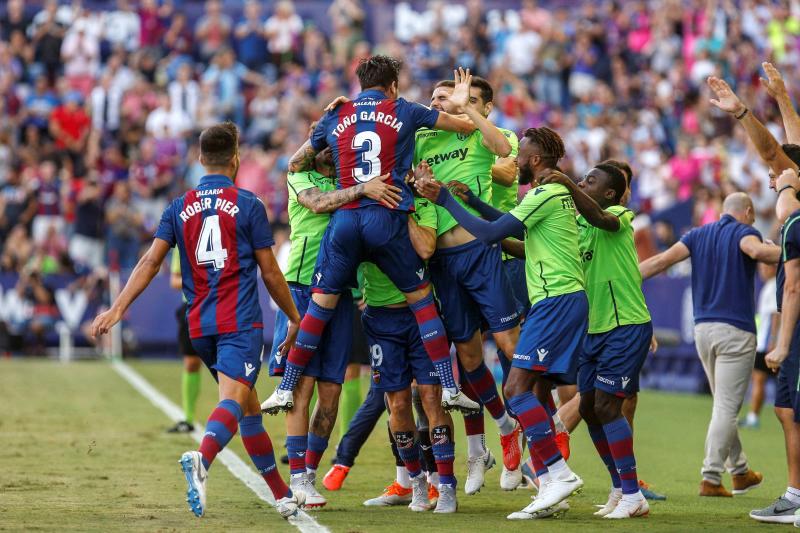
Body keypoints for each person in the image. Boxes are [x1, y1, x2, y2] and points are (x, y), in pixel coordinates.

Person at [90, 122, 304, 519]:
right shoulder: (249, 204)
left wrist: (117, 308)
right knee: (234, 401)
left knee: (248, 407)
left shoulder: (178, 206)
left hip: (200, 324)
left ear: (200, 159)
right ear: (235, 158)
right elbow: (272, 273)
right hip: (239, 320)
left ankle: (281, 494)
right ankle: (203, 458)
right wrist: (294, 316)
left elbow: (150, 261)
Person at [260, 57, 479, 414]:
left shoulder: (337, 113)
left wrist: (325, 122)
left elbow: (296, 163)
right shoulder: (405, 109)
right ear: (393, 84)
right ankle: (450, 387)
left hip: (345, 222)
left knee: (318, 309)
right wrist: (458, 104)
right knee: (422, 304)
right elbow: (467, 128)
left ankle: (285, 388)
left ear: (359, 83)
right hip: (389, 218)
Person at [416, 126, 586, 520]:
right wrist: (473, 198)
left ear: (536, 160)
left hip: (555, 300)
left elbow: (493, 232)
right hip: (555, 300)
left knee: (517, 387)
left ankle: (555, 467)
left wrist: (444, 198)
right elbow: (509, 224)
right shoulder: (544, 194)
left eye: (520, 154)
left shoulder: (545, 192)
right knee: (523, 386)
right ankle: (549, 477)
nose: (513, 160)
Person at [268, 144, 401, 509]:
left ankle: (308, 475)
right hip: (301, 290)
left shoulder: (349, 180)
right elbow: (319, 203)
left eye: (334, 145)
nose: (329, 150)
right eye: (323, 144)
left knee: (331, 391)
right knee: (303, 386)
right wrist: (361, 188)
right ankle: (296, 475)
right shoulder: (300, 177)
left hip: (341, 294)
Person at [415, 75, 521, 494]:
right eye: (437, 97)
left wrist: (468, 109)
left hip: (486, 253)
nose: (442, 101)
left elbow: (505, 156)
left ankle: (543, 440)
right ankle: (502, 424)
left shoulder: (480, 132)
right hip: (443, 260)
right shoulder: (424, 139)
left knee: (512, 345)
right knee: (468, 357)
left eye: (450, 95)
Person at [639, 192, 779, 497]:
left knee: (722, 405)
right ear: (747, 211)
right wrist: (786, 253)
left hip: (703, 329)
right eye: (753, 216)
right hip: (736, 331)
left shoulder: (697, 235)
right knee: (727, 407)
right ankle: (711, 477)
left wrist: (625, 279)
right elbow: (755, 251)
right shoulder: (744, 232)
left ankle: (740, 472)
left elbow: (662, 261)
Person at [542, 164, 652, 518]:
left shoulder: (617, 215)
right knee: (588, 407)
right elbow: (532, 250)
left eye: (590, 181)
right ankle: (621, 489)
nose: (581, 183)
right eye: (581, 179)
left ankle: (634, 494)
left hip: (625, 325)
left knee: (606, 406)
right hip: (594, 329)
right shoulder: (578, 229)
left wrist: (565, 184)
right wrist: (493, 234)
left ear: (608, 193)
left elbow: (602, 218)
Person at [359, 190, 458, 513]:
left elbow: (427, 248)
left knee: (431, 398)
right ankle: (415, 483)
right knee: (397, 404)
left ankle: (445, 486)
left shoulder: (421, 204)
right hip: (380, 320)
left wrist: (402, 211)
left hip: (421, 316)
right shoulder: (361, 208)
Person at [749, 167, 800, 524]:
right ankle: (794, 496)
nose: (772, 182)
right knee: (785, 411)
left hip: (795, 333)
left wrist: (781, 345)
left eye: (776, 175)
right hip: (790, 330)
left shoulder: (795, 221)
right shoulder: (789, 227)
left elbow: (794, 287)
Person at [166, 246, 202, 434]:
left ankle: (235, 417)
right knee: (191, 363)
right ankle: (188, 418)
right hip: (191, 306)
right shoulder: (182, 243)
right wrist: (200, 280)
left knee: (225, 366)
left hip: (220, 304)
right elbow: (174, 280)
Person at [740, 262, 779, 429]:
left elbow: (776, 315)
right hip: (767, 342)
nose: (762, 270)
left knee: (758, 380)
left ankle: (753, 417)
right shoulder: (770, 286)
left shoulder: (773, 286)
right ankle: (753, 416)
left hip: (767, 345)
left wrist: (773, 340)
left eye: (765, 267)